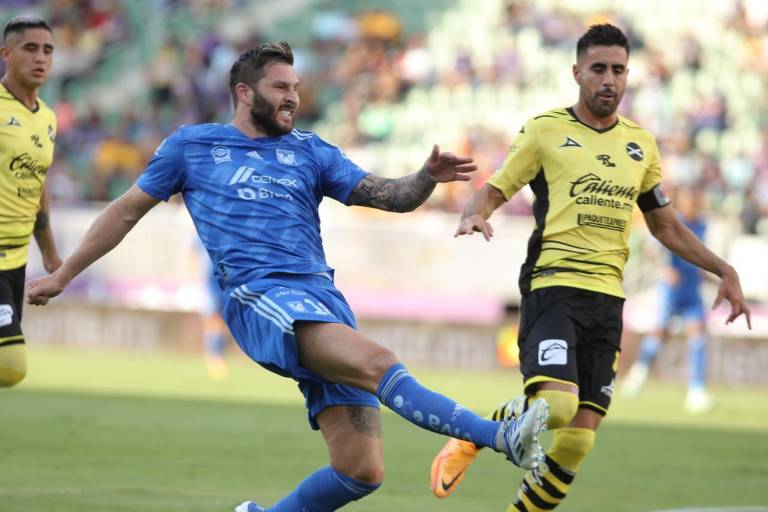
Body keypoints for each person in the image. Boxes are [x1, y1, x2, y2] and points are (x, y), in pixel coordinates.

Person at [25, 42, 550, 511]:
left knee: (361, 471)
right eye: (281, 87)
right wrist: (64, 273)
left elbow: (388, 197)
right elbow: (124, 212)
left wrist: (424, 178)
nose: (293, 97)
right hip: (261, 295)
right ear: (244, 92)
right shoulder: (193, 146)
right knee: (380, 362)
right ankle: (502, 437)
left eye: (296, 88)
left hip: (322, 296)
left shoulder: (310, 150)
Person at [428, 24, 751, 512]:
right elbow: (495, 188)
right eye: (598, 69)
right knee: (555, 408)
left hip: (608, 299)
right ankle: (475, 435)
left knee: (578, 442)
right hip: (554, 286)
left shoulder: (640, 145)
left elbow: (664, 225)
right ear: (576, 72)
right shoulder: (545, 130)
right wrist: (475, 212)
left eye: (618, 70)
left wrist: (723, 268)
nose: (609, 80)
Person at [0, 17, 61, 387]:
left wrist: (51, 256)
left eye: (48, 50)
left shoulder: (48, 119)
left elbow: (38, 190)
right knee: (11, 365)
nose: (40, 57)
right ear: (6, 54)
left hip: (16, 261)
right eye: (30, 48)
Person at [622, 186, 714, 413]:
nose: (693, 206)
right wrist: (664, 269)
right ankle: (639, 373)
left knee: (698, 337)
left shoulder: (703, 224)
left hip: (692, 289)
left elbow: (699, 253)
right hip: (671, 290)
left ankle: (696, 390)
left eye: (695, 202)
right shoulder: (675, 223)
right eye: (688, 202)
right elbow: (652, 249)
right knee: (658, 334)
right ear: (681, 205)